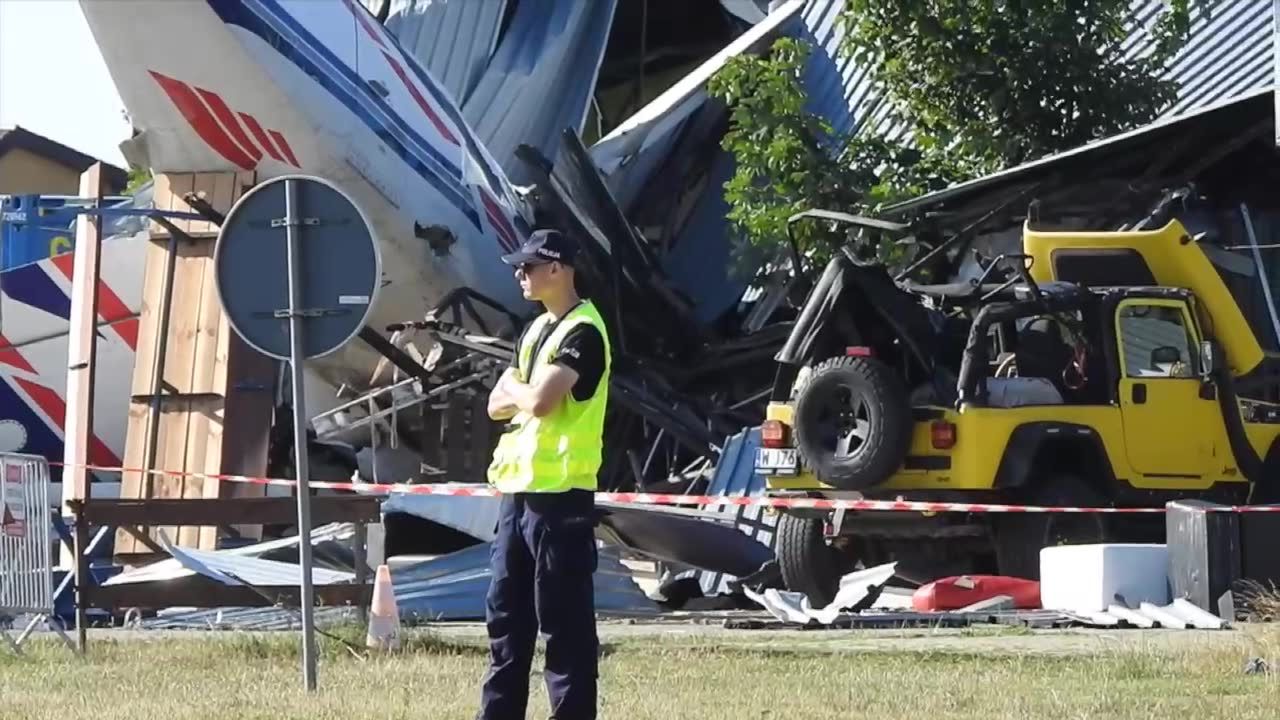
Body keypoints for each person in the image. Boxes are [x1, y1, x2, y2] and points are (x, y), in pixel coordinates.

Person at [478, 228, 611, 720]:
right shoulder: (536, 331)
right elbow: (494, 406)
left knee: (564, 628)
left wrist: (517, 383)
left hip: (561, 500)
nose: (520, 274)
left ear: (557, 269)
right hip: (517, 496)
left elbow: (538, 400)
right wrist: (520, 386)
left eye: (529, 267)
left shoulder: (584, 331)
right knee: (506, 622)